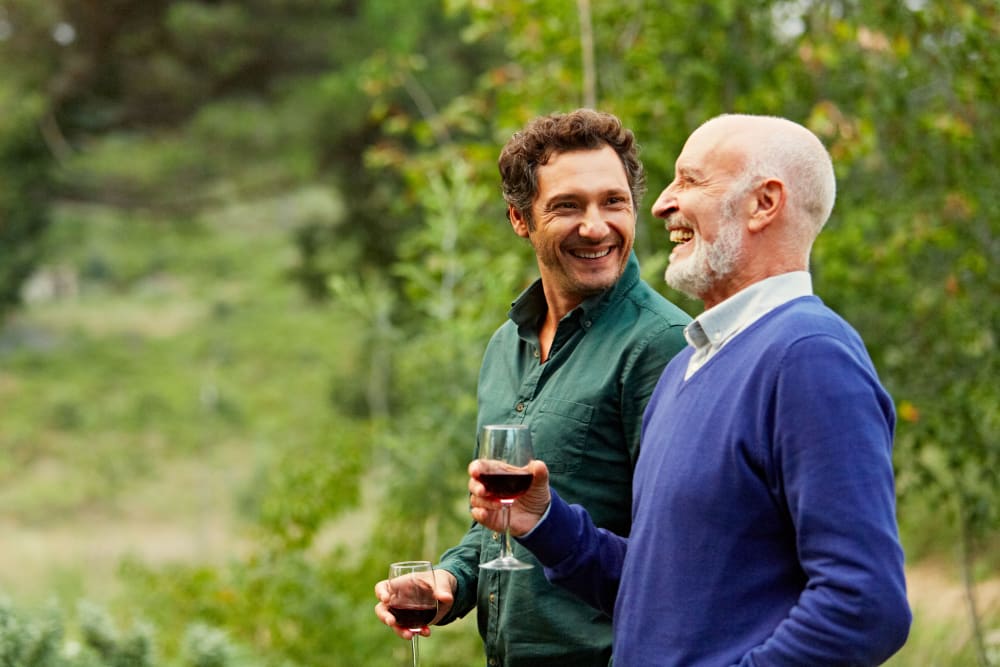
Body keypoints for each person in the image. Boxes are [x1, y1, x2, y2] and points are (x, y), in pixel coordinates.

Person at [468, 114, 913, 666]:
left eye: (691, 180)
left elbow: (866, 605)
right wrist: (546, 524)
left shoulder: (809, 355)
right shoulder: (693, 364)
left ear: (764, 203)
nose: (658, 206)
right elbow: (657, 596)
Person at [375, 108, 691, 665]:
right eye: (567, 206)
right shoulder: (506, 345)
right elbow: (500, 520)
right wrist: (450, 581)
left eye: (613, 202)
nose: (596, 227)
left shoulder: (660, 345)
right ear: (521, 220)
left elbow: (677, 567)